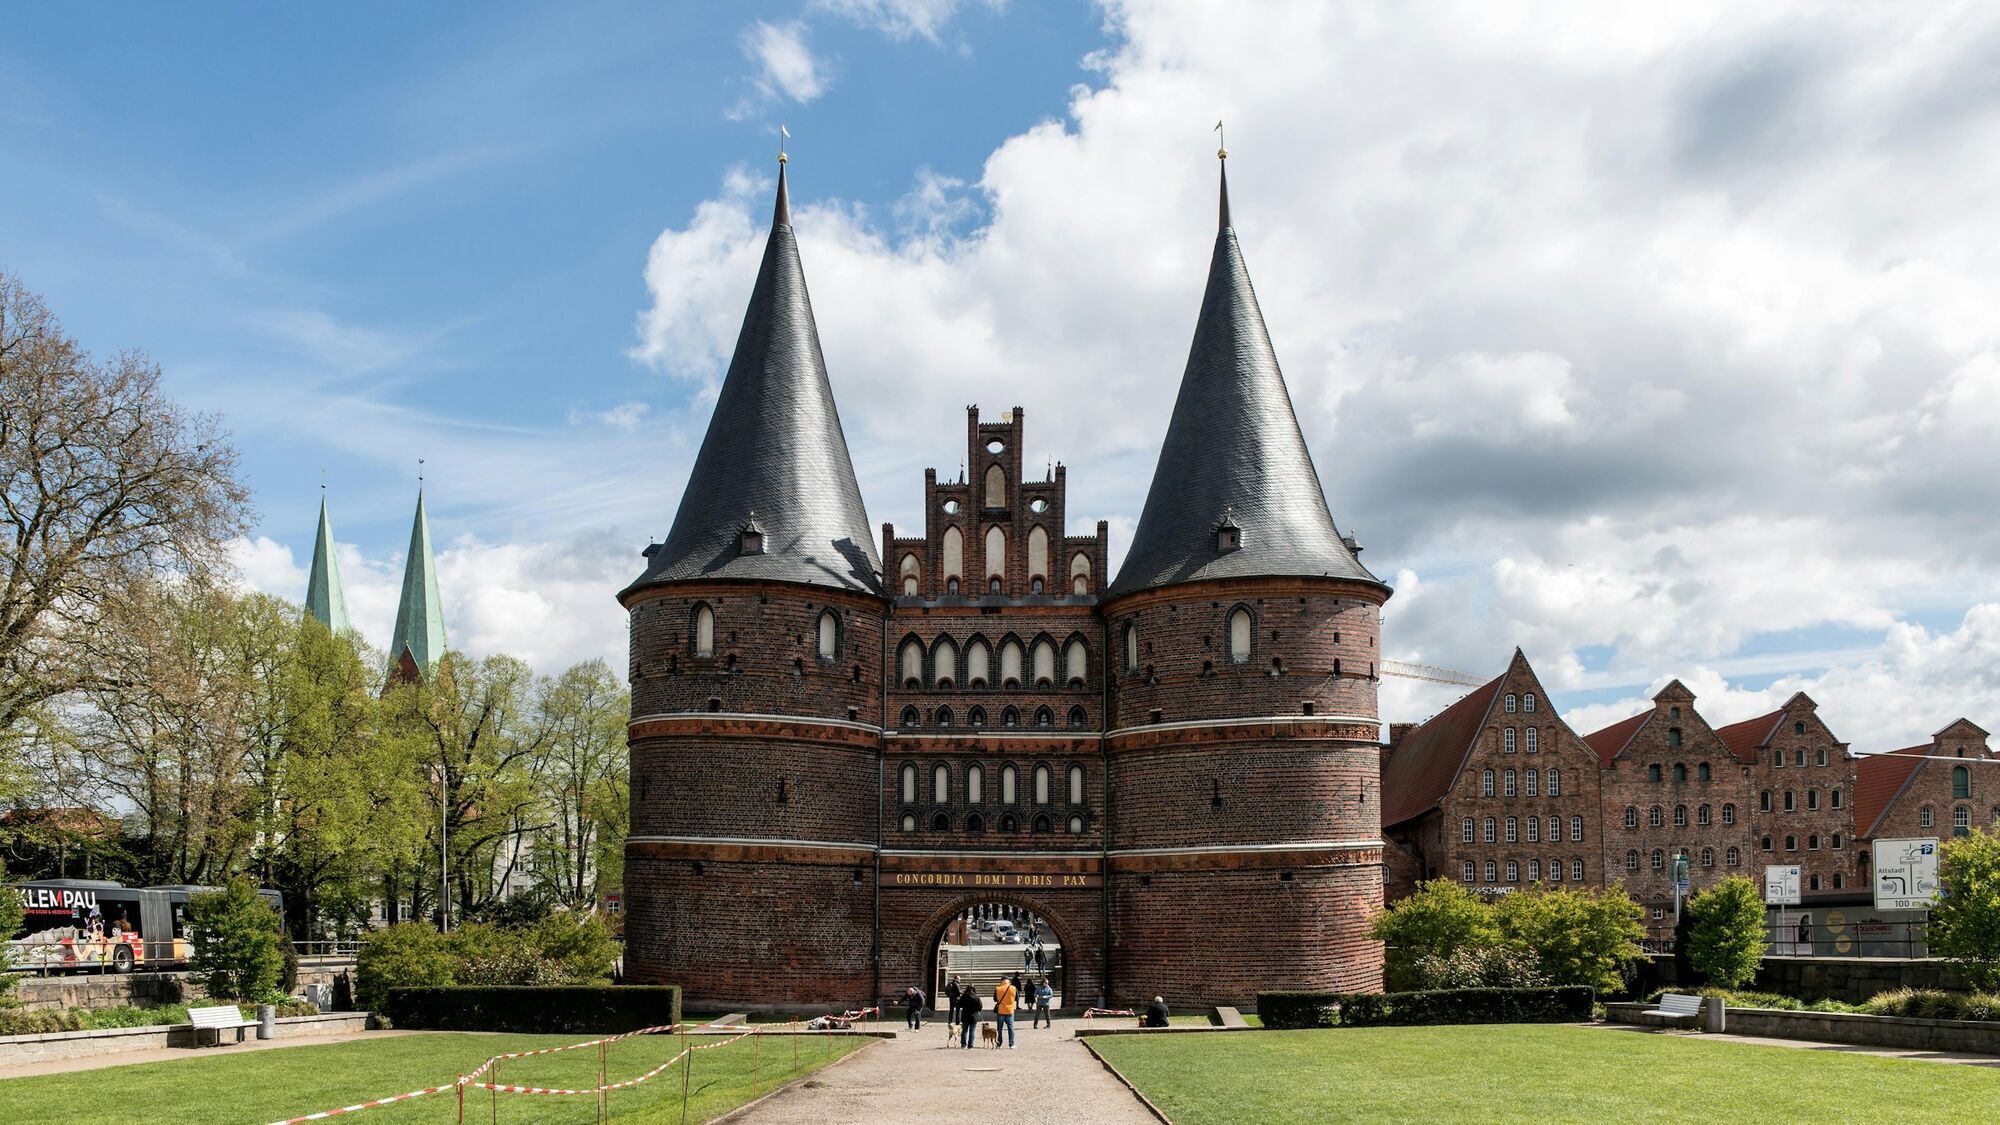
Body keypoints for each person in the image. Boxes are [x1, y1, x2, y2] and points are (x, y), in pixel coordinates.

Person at [994, 975, 1017, 1048]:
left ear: (1001, 981)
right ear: (1008, 981)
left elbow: (995, 999)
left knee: (999, 1028)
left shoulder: (998, 988)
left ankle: (999, 1043)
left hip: (1001, 1010)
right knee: (1010, 1027)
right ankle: (1011, 1043)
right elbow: (1016, 998)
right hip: (1010, 1010)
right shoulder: (1013, 988)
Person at [958, 983, 984, 1048]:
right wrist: (977, 1010)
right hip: (973, 1016)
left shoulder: (964, 996)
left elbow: (959, 1004)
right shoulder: (976, 997)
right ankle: (970, 1045)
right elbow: (980, 1006)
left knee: (964, 1030)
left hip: (965, 1015)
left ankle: (963, 1044)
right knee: (972, 1031)